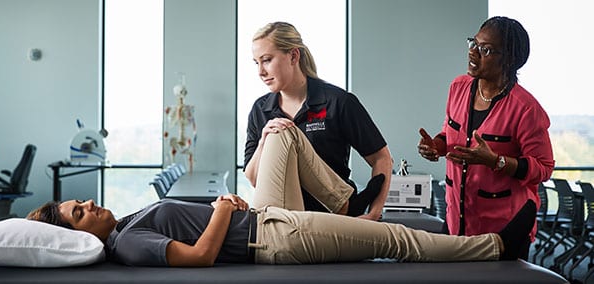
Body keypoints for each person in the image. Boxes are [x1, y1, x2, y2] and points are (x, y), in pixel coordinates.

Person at [28, 127, 535, 267]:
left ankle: (344, 200)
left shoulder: (125, 225)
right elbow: (201, 257)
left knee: (281, 129)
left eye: (82, 203)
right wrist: (223, 211)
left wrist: (224, 207)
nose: (89, 205)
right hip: (276, 238)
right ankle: (497, 247)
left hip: (266, 219)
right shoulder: (128, 244)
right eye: (80, 213)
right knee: (395, 237)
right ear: (76, 238)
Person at [417, 16, 554, 258]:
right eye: (473, 43)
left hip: (504, 229)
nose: (473, 53)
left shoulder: (526, 109)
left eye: (485, 49)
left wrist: (496, 161)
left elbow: (543, 168)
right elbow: (451, 134)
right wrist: (437, 146)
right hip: (456, 221)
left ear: (509, 59)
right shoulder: (458, 87)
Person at [244, 22, 393, 220]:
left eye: (267, 60)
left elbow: (381, 158)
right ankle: (344, 204)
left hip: (328, 218)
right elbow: (254, 179)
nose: (260, 72)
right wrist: (264, 141)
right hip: (284, 216)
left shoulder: (338, 102)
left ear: (294, 56)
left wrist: (374, 214)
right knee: (282, 136)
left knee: (289, 135)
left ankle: (342, 205)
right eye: (257, 63)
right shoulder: (259, 110)